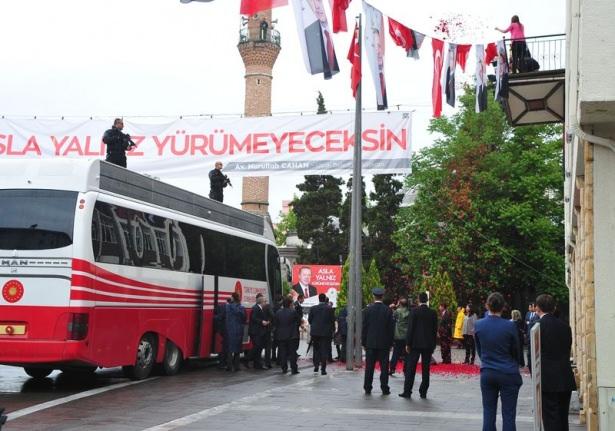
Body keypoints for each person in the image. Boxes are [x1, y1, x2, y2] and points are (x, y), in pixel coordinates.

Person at [475, 292, 523, 431]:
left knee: (488, 413)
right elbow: (516, 350)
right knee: (509, 415)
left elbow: (479, 350)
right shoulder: (510, 326)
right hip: (508, 371)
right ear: (503, 307)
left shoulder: (479, 325)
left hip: (488, 371)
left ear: (487, 305)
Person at [535, 294, 576, 431]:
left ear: (538, 308)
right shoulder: (565, 327)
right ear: (554, 308)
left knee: (550, 418)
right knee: (563, 417)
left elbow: (533, 355)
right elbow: (567, 349)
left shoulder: (537, 327)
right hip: (565, 376)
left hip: (547, 379)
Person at [399, 292, 438, 399]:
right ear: (427, 300)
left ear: (419, 299)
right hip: (428, 345)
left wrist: (408, 343)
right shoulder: (433, 313)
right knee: (426, 369)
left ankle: (407, 391)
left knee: (411, 368)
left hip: (415, 344)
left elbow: (410, 328)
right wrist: (433, 344)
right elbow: (434, 330)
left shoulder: (414, 312)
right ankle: (423, 391)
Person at [362, 288, 394, 395]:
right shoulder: (388, 310)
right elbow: (391, 329)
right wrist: (391, 343)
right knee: (384, 367)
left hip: (370, 343)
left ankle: (367, 387)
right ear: (382, 296)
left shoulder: (367, 310)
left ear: (373, 296)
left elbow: (365, 328)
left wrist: (364, 342)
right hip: (384, 343)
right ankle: (384, 388)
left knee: (369, 367)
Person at [308, 293, 335, 375]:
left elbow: (310, 320)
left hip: (315, 332)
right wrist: (333, 330)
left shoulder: (313, 308)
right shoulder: (330, 309)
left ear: (319, 299)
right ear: (325, 299)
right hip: (326, 333)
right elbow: (332, 320)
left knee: (316, 350)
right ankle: (323, 369)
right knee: (324, 350)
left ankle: (316, 366)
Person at [274, 297, 301, 374]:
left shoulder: (278, 312)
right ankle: (294, 369)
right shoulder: (293, 312)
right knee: (292, 353)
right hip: (292, 335)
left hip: (281, 335)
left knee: (283, 352)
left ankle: (284, 368)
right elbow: (298, 322)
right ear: (290, 304)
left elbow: (276, 323)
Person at [224, 293, 246, 371]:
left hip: (230, 330)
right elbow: (244, 318)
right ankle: (237, 366)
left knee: (230, 349)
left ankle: (229, 366)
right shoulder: (241, 308)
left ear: (233, 298)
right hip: (239, 330)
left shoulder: (228, 307)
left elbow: (226, 318)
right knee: (237, 349)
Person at [248, 294, 270, 369]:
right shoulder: (255, 308)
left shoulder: (260, 308)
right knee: (257, 347)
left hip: (259, 331)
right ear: (261, 302)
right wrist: (262, 322)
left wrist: (265, 322)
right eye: (264, 301)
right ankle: (247, 359)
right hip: (255, 332)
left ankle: (257, 364)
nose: (265, 303)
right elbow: (253, 318)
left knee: (259, 347)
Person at [389, 297, 410, 375]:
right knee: (407, 354)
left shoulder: (397, 311)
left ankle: (392, 368)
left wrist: (395, 306)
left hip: (398, 336)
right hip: (407, 336)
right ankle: (406, 370)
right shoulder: (409, 312)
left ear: (400, 304)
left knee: (396, 353)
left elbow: (391, 314)